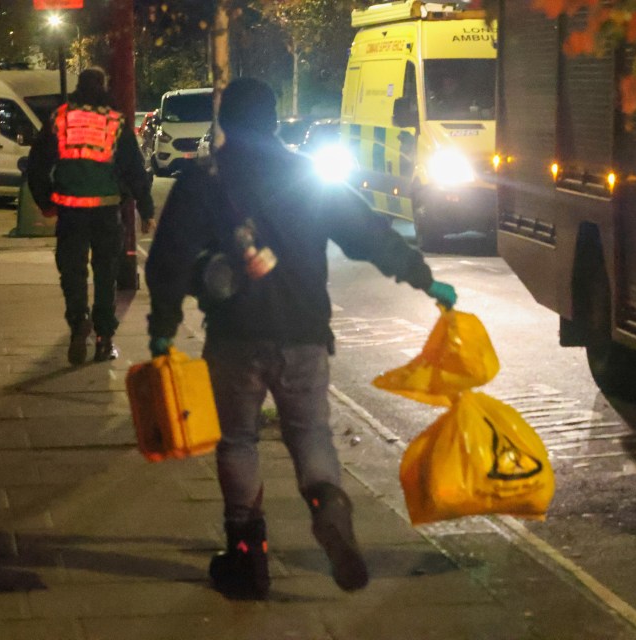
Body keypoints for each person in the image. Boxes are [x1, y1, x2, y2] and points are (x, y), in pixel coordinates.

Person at [145, 78, 457, 600]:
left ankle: (247, 557)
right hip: (305, 331)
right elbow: (368, 234)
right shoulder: (307, 176)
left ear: (225, 120)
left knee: (238, 440)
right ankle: (328, 501)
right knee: (311, 432)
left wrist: (161, 327)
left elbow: (169, 258)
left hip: (235, 336)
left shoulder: (206, 179)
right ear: (271, 121)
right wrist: (423, 277)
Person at [28, 67, 155, 365]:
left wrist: (46, 201)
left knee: (72, 271)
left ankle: (78, 322)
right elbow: (134, 169)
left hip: (71, 210)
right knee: (105, 272)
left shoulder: (60, 118)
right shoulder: (115, 122)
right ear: (104, 87)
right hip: (106, 210)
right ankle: (104, 338)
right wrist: (145, 209)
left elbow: (37, 164)